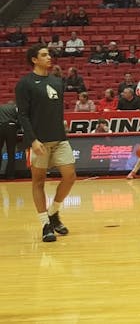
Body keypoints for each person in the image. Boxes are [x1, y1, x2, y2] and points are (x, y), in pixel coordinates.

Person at [15, 44, 76, 242]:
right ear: (34, 59)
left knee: (70, 176)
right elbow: (22, 115)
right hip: (38, 141)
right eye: (43, 54)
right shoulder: (25, 83)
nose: (48, 57)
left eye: (48, 54)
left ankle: (54, 212)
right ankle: (45, 225)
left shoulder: (58, 82)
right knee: (38, 182)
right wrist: (32, 140)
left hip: (59, 139)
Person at [0, 100, 19, 180]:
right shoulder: (15, 107)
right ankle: (10, 175)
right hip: (11, 128)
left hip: (0, 127)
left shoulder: (1, 107)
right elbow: (21, 118)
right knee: (11, 152)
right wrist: (18, 127)